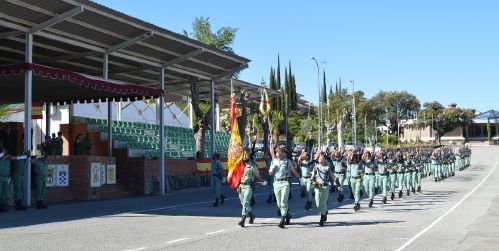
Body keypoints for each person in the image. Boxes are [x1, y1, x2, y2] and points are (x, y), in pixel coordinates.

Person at [269, 142, 300, 229]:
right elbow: (270, 172)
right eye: (276, 152)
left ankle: (282, 220)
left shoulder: (287, 162)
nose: (277, 153)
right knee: (279, 204)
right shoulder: (274, 161)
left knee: (283, 201)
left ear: (282, 153)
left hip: (285, 183)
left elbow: (294, 171)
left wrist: (300, 180)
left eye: (278, 152)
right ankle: (288, 215)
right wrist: (271, 170)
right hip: (277, 183)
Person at [238, 150, 264, 227]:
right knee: (243, 203)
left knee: (246, 202)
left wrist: (263, 181)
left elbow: (258, 175)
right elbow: (238, 177)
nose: (244, 157)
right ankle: (251, 215)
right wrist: (237, 185)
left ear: (250, 157)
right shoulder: (240, 166)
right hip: (241, 186)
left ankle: (243, 219)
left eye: (246, 155)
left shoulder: (253, 167)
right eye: (244, 155)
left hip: (248, 186)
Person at [310, 151, 334, 226]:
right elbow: (312, 177)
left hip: (325, 186)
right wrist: (313, 182)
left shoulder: (327, 168)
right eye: (320, 158)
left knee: (323, 203)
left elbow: (332, 176)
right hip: (317, 186)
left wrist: (338, 184)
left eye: (322, 158)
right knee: (317, 203)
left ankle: (322, 217)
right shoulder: (315, 168)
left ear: (324, 160)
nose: (321, 159)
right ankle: (324, 212)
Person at [348, 147, 363, 212]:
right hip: (352, 179)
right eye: (352, 158)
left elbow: (362, 171)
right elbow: (348, 157)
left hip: (358, 179)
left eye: (354, 157)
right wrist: (352, 151)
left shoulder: (359, 163)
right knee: (354, 192)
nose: (352, 158)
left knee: (357, 192)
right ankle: (358, 202)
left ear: (356, 158)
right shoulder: (350, 163)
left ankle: (356, 203)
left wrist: (362, 172)